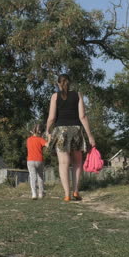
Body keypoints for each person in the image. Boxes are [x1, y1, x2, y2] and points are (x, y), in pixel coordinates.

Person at [45, 73, 96, 202]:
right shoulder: (77, 95)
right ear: (70, 83)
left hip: (61, 131)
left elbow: (51, 118)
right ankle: (76, 192)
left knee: (63, 163)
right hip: (76, 131)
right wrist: (90, 135)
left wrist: (47, 130)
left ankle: (67, 194)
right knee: (77, 162)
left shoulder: (55, 96)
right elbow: (83, 117)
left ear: (58, 83)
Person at [25, 123, 48, 199]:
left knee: (32, 177)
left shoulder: (28, 140)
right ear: (41, 132)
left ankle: (34, 194)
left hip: (30, 160)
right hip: (39, 160)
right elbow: (47, 145)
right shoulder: (41, 139)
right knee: (40, 177)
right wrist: (48, 138)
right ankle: (41, 194)